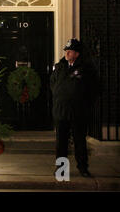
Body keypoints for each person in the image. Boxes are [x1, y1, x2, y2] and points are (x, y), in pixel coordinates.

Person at [50, 38, 100, 178]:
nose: (66, 53)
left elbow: (94, 88)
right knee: (61, 143)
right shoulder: (60, 67)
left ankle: (83, 168)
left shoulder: (86, 68)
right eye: (66, 51)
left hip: (79, 111)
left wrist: (85, 104)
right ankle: (61, 170)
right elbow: (53, 84)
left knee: (79, 141)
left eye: (70, 51)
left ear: (76, 53)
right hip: (61, 110)